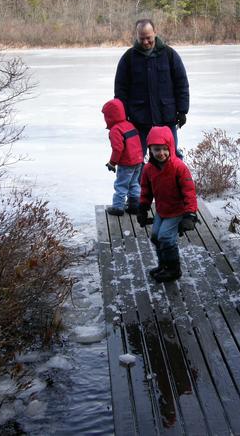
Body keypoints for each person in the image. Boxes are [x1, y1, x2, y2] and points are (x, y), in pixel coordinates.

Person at [114, 19, 189, 157]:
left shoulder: (169, 54)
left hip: (166, 118)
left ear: (155, 32)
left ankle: (175, 179)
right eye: (142, 38)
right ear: (136, 36)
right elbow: (120, 90)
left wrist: (182, 110)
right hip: (139, 120)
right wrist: (122, 117)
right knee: (136, 158)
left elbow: (181, 83)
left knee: (171, 156)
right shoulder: (128, 58)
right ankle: (142, 179)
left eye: (148, 38)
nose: (145, 42)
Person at [136, 126, 198, 283]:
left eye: (165, 149)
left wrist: (190, 214)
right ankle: (163, 265)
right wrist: (143, 208)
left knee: (166, 237)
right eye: (157, 149)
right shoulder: (149, 169)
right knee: (156, 237)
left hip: (178, 210)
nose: (161, 153)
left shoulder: (179, 167)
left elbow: (189, 191)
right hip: (162, 210)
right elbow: (146, 190)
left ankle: (173, 270)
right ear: (150, 149)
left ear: (171, 147)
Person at [102, 98, 143, 216]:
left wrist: (112, 163)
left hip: (127, 163)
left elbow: (118, 149)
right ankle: (134, 205)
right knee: (134, 183)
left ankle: (118, 207)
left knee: (121, 184)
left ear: (109, 116)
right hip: (138, 160)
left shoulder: (115, 130)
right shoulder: (129, 124)